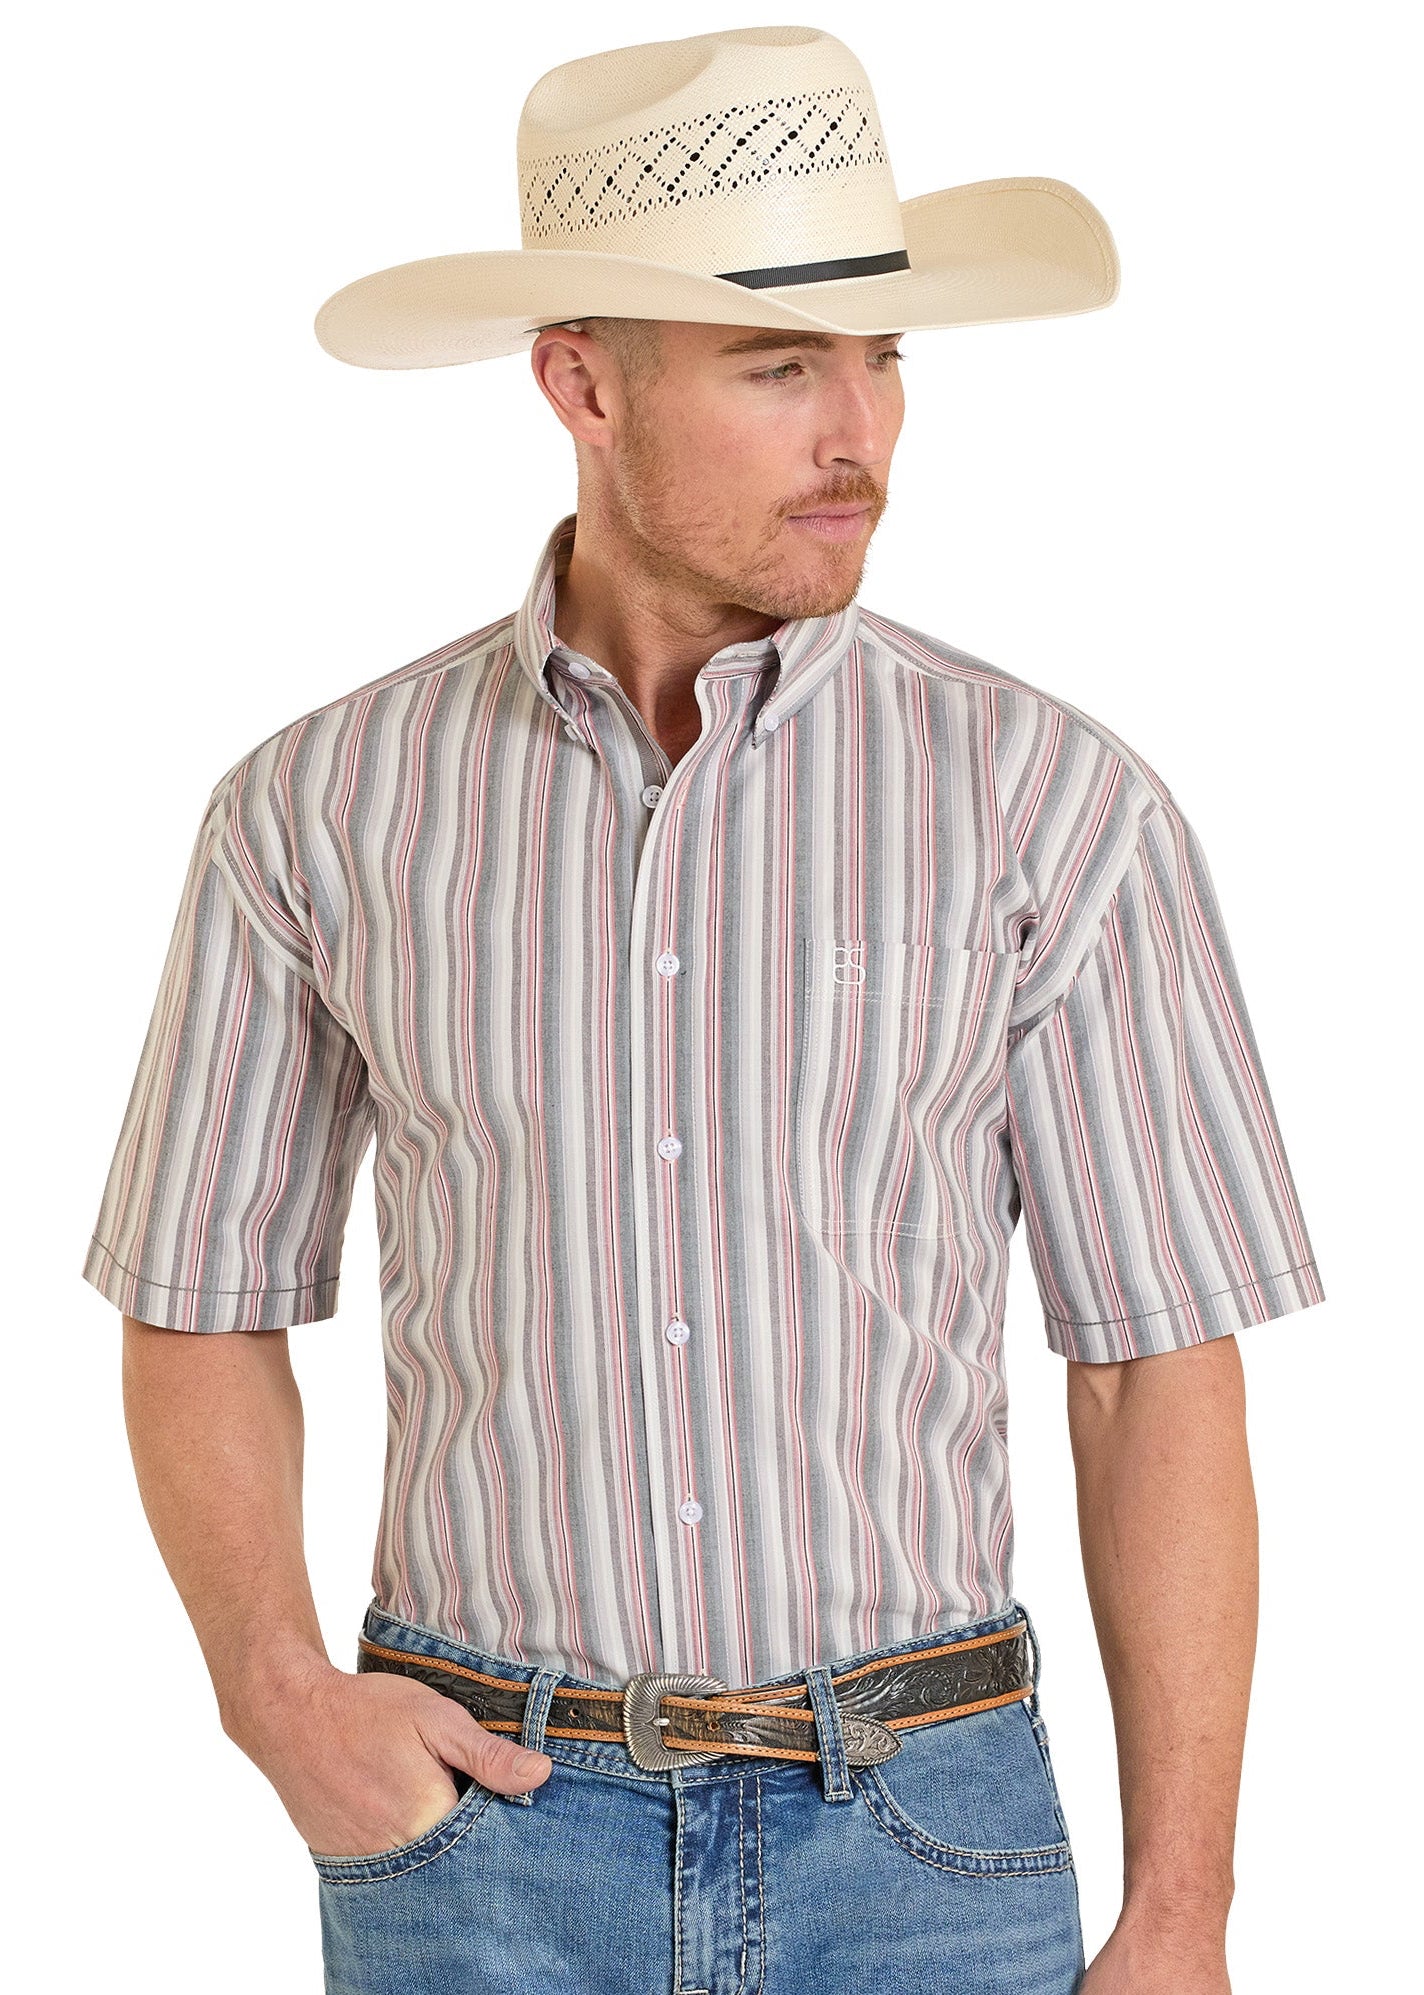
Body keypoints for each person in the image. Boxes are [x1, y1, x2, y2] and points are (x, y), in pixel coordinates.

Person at [81, 25, 1324, 1995]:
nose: (864, 432)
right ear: (581, 381)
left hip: (925, 1828)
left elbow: (1151, 1367)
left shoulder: (1048, 804)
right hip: (476, 1832)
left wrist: (1181, 1912)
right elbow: (196, 1295)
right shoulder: (319, 805)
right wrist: (278, 1698)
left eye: (883, 356)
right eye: (778, 366)